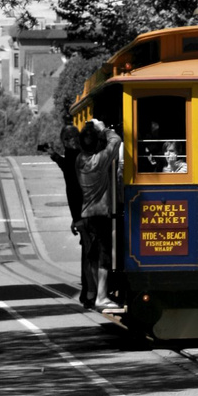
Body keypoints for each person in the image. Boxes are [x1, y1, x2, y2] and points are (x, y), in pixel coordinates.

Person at [76, 118, 122, 311]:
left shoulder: (79, 160)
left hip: (86, 214)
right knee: (104, 257)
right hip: (100, 214)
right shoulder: (98, 161)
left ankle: (93, 292)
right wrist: (103, 130)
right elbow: (116, 141)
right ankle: (101, 297)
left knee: (91, 256)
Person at [49, 124, 91, 307]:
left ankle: (89, 291)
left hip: (85, 212)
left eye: (68, 139)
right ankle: (89, 290)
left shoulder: (76, 156)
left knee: (89, 252)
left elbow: (73, 189)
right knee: (89, 251)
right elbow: (66, 167)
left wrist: (77, 218)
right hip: (87, 212)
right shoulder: (80, 155)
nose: (68, 143)